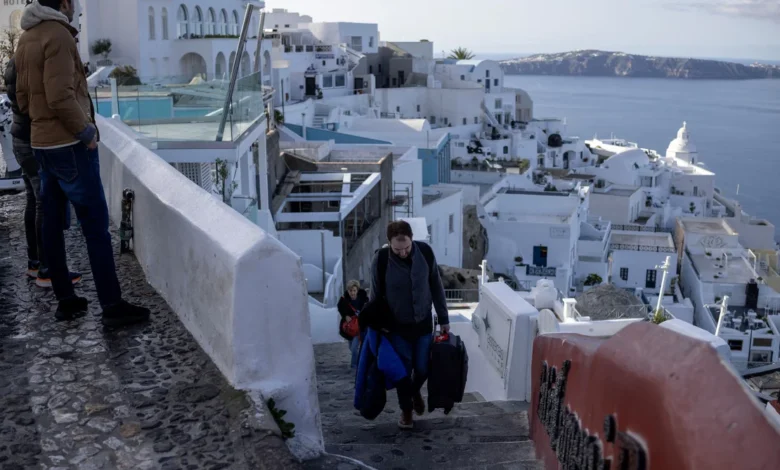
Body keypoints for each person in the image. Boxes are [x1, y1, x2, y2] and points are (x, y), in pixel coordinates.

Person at [15, 0, 150, 326]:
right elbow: (60, 94)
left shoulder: (26, 37)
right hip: (69, 145)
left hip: (41, 144)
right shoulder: (58, 35)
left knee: (51, 223)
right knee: (95, 228)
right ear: (63, 4)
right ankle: (112, 305)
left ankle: (66, 300)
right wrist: (86, 132)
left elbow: (21, 97)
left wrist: (42, 125)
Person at [4, 56, 82, 288]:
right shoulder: (31, 61)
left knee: (33, 200)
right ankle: (48, 271)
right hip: (32, 138)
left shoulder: (15, 60)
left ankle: (35, 263)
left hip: (19, 138)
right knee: (44, 203)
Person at [370, 220, 450, 429]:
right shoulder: (381, 260)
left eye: (406, 247)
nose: (403, 252)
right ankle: (406, 411)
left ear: (412, 239)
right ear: (389, 243)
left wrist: (444, 318)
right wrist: (374, 327)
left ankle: (414, 393)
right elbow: (375, 296)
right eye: (397, 249)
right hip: (396, 329)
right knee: (403, 373)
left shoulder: (425, 252)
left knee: (423, 369)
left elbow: (436, 285)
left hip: (423, 325)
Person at [337, 280, 369, 369]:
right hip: (349, 328)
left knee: (355, 348)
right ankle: (360, 361)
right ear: (348, 291)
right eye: (350, 290)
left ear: (357, 290)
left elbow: (367, 309)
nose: (352, 293)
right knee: (351, 347)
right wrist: (345, 315)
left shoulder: (363, 299)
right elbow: (340, 308)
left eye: (354, 290)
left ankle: (355, 365)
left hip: (359, 327)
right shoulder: (344, 300)